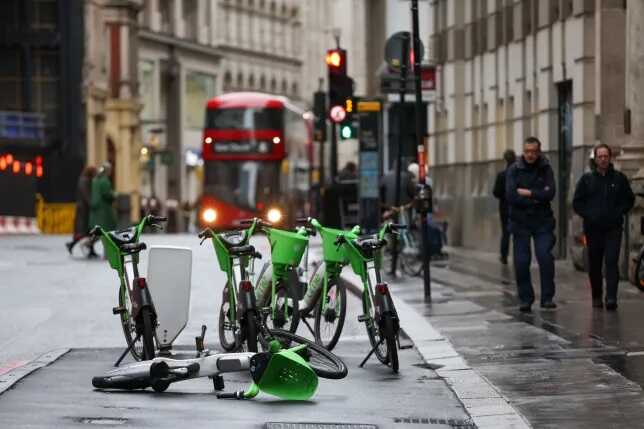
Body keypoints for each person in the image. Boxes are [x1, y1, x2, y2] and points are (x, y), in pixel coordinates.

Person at [572, 144, 634, 310]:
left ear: (610, 157)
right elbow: (577, 202)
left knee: (612, 262)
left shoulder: (619, 178)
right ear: (595, 158)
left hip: (613, 228)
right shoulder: (587, 180)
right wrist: (589, 215)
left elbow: (629, 200)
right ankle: (597, 296)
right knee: (595, 264)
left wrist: (618, 213)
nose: (603, 159)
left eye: (606, 156)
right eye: (600, 156)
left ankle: (611, 298)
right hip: (593, 229)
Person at [506, 137, 557, 312]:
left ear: (539, 151)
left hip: (542, 221)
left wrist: (528, 193)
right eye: (527, 151)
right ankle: (525, 299)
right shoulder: (514, 169)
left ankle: (547, 297)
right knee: (521, 261)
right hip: (520, 222)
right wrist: (536, 198)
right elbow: (511, 196)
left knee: (545, 257)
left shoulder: (546, 168)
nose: (530, 155)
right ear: (523, 151)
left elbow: (550, 193)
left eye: (534, 151)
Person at [66, 166, 98, 256]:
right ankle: (71, 245)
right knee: (83, 231)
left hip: (85, 210)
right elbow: (86, 194)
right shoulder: (84, 180)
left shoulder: (86, 180)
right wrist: (92, 203)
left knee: (88, 232)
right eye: (94, 172)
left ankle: (90, 250)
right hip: (83, 210)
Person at [493, 149, 517, 265]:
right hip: (518, 207)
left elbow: (496, 192)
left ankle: (504, 256)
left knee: (506, 233)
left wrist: (503, 195)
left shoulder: (501, 175)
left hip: (505, 208)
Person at [89, 162, 117, 233]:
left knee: (99, 228)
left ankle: (90, 242)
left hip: (97, 206)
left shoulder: (96, 179)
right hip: (104, 208)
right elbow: (107, 194)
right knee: (106, 227)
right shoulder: (104, 180)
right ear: (107, 170)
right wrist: (114, 195)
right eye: (110, 170)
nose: (111, 172)